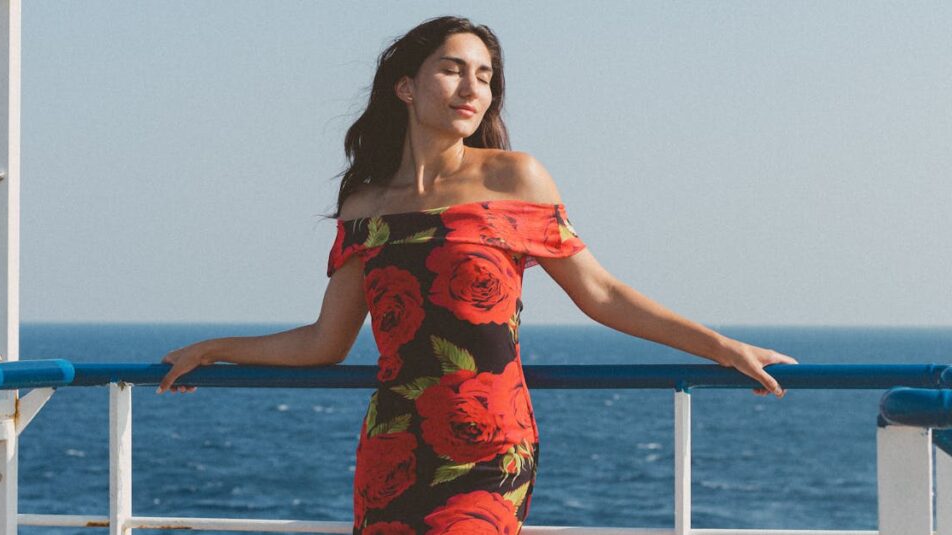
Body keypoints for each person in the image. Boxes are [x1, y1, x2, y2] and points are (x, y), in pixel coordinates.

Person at [156, 15, 799, 534]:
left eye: (485, 76)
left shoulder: (514, 179)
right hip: (393, 444)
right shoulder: (365, 205)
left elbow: (602, 294)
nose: (472, 88)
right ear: (405, 87)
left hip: (488, 444)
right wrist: (215, 350)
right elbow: (325, 342)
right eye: (453, 70)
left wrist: (723, 347)